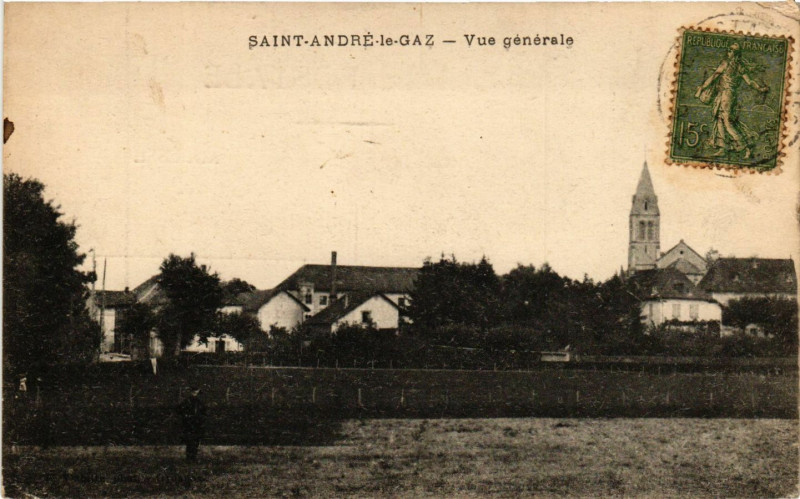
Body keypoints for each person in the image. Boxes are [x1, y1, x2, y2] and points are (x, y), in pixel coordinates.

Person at [695, 42, 768, 159]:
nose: (728, 52)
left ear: (736, 54)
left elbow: (749, 81)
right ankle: (723, 148)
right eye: (728, 49)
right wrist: (703, 87)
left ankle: (745, 146)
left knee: (727, 122)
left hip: (727, 96)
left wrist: (760, 88)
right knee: (719, 119)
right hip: (723, 95)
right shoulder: (731, 65)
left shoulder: (735, 66)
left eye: (731, 50)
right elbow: (714, 76)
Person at [176, 387, 206, 462]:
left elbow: (203, 412)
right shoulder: (186, 402)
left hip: (196, 424)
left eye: (196, 392)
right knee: (190, 441)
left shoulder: (199, 402)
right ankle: (189, 458)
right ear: (191, 392)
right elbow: (179, 410)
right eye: (194, 392)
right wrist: (186, 416)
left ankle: (193, 457)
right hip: (189, 424)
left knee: (195, 441)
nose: (195, 394)